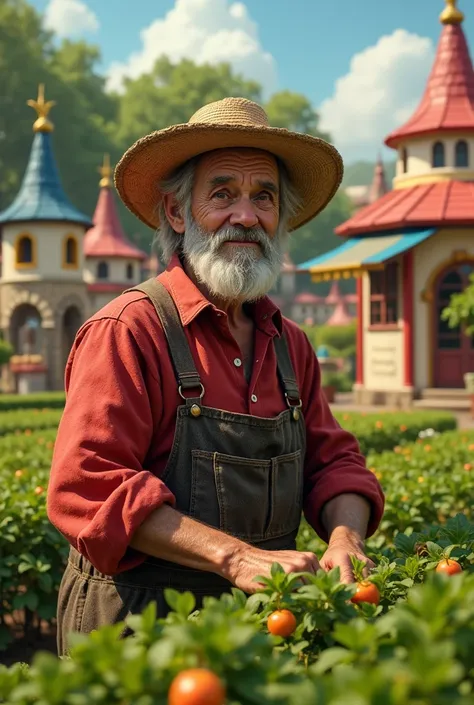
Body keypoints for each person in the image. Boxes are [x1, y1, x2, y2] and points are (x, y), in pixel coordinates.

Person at [47, 97, 384, 656]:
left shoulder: (290, 344)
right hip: (137, 629)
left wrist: (347, 536)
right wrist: (237, 557)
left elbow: (335, 462)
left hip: (260, 628)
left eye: (264, 197)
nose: (246, 216)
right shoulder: (128, 330)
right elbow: (87, 485)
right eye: (222, 194)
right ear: (178, 214)